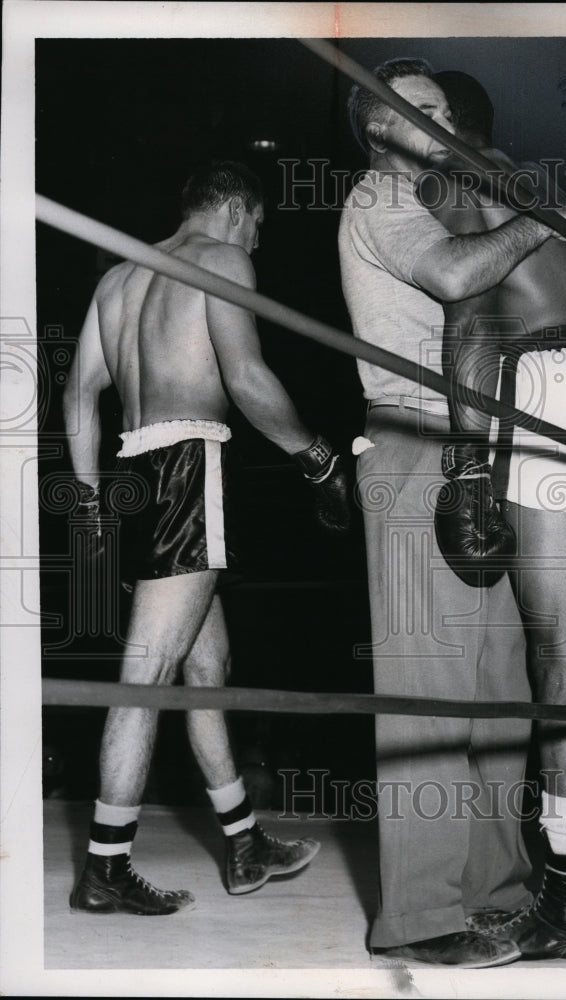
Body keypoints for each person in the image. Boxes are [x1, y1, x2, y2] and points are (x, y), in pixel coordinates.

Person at [338, 58, 566, 968]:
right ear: (373, 127)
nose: (437, 121)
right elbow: (456, 279)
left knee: (501, 691)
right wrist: (542, 222)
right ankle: (420, 917)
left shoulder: (457, 190)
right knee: (429, 699)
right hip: (418, 448)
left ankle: (496, 895)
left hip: (485, 450)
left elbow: (524, 291)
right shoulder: (381, 197)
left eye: (444, 108)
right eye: (414, 110)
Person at [63, 160, 350, 915]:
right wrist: (317, 459)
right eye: (256, 222)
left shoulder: (119, 277)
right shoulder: (223, 259)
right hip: (188, 464)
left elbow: (78, 393)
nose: (256, 237)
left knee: (206, 663)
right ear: (232, 209)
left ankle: (243, 839)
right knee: (147, 672)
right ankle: (106, 863)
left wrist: (92, 502)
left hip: (131, 474)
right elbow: (249, 378)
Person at [425, 70, 566, 961]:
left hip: (554, 385)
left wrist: (466, 457)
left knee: (560, 653)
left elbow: (468, 311)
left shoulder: (457, 174)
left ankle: (564, 910)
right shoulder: (548, 185)